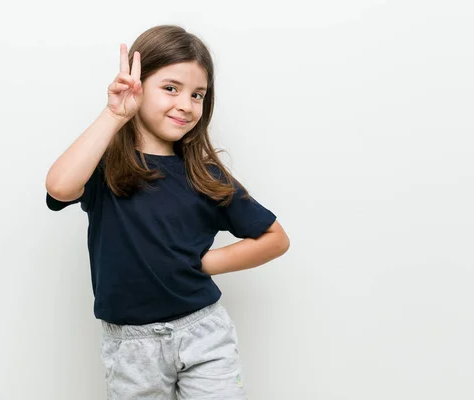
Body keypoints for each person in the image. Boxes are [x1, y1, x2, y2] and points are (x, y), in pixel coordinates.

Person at [45, 24, 290, 400]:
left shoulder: (203, 173)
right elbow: (59, 186)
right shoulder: (104, 166)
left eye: (198, 94)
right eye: (171, 88)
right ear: (138, 86)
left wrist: (206, 264)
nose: (186, 104)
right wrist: (114, 114)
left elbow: (275, 239)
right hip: (131, 347)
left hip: (204, 334)